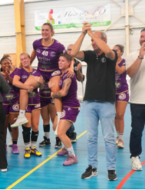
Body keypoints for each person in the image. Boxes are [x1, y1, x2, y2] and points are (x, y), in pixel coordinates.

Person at [71, 23, 118, 181]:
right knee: (91, 138)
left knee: (109, 138)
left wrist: (91, 34)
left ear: (104, 40)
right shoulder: (90, 56)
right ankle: (92, 167)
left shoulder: (111, 55)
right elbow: (74, 52)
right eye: (91, 40)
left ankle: (111, 168)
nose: (92, 42)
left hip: (106, 103)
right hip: (90, 103)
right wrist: (84, 33)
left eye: (96, 39)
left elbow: (108, 51)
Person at [12, 23, 68, 138]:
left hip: (53, 72)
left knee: (55, 90)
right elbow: (33, 54)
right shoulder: (36, 43)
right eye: (42, 30)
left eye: (47, 30)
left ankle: (59, 117)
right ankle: (22, 115)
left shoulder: (59, 46)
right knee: (23, 87)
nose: (44, 32)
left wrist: (69, 70)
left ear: (52, 32)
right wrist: (26, 67)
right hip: (41, 72)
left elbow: (67, 59)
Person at [53, 54, 80, 166]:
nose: (60, 62)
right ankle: (66, 147)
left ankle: (72, 156)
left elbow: (63, 92)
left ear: (68, 63)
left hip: (71, 106)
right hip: (64, 106)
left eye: (63, 61)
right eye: (59, 60)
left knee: (60, 132)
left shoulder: (68, 75)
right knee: (55, 126)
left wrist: (52, 94)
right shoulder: (63, 73)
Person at [13, 53, 42, 158]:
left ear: (30, 59)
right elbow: (15, 82)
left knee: (35, 126)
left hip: (36, 101)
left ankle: (33, 147)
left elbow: (41, 84)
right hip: (25, 104)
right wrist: (26, 87)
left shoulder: (36, 71)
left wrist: (40, 82)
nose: (24, 60)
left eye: (25, 58)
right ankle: (27, 148)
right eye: (22, 59)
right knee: (27, 126)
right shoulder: (19, 70)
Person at [126, 28, 145, 171]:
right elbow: (131, 74)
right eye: (141, 36)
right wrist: (140, 56)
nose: (142, 39)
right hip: (138, 101)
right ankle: (135, 156)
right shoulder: (132, 56)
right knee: (136, 131)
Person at [0, 55, 20, 153]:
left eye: (8, 62)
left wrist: (9, 78)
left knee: (14, 124)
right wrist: (5, 78)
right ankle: (3, 143)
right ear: (1, 65)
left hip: (14, 101)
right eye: (4, 63)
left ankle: (15, 144)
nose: (7, 65)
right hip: (3, 102)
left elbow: (17, 85)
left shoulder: (16, 73)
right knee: (3, 125)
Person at [113, 44, 129, 149]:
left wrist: (112, 61)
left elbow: (120, 71)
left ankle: (121, 138)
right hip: (112, 91)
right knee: (114, 115)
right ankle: (118, 136)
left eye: (116, 50)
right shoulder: (110, 62)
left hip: (122, 91)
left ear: (121, 52)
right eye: (113, 50)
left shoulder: (124, 61)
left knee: (120, 114)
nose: (114, 52)